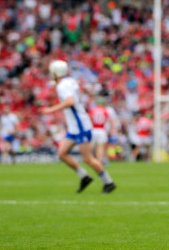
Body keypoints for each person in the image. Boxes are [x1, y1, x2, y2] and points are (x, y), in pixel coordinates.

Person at [40, 60, 116, 194]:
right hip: (75, 126)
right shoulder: (69, 81)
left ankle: (108, 182)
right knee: (62, 153)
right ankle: (84, 176)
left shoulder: (62, 85)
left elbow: (70, 101)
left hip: (80, 126)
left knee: (88, 159)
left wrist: (50, 110)